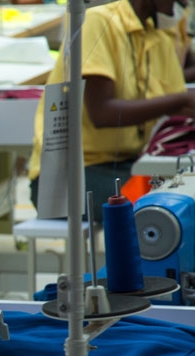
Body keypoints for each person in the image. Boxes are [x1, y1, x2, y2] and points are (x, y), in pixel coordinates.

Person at [28, 0, 195, 223]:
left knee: (182, 199)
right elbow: (102, 113)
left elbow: (180, 106)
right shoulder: (98, 23)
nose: (183, 5)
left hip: (126, 164)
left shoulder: (157, 35)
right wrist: (180, 100)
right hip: (66, 179)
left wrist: (181, 101)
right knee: (163, 212)